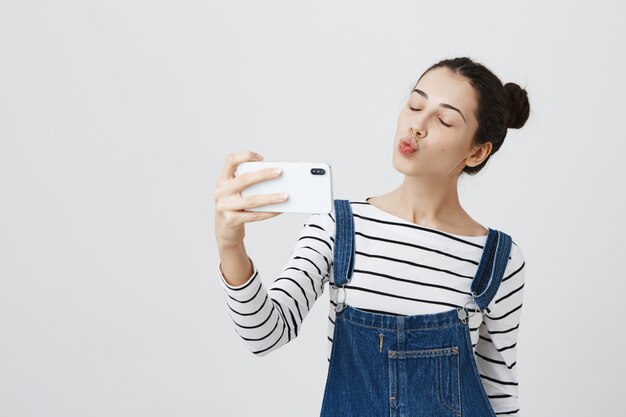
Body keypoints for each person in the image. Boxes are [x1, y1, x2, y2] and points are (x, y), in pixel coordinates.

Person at [214, 56, 530, 416]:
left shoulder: (499, 260)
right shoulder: (338, 226)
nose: (417, 125)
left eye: (443, 119)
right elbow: (265, 334)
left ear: (477, 151)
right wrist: (230, 244)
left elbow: (500, 397)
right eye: (414, 105)